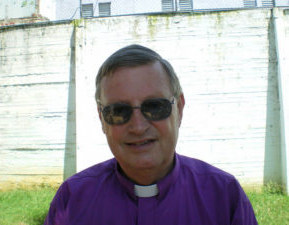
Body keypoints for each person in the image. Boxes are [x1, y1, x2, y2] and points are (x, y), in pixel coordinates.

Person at [44, 44, 258, 225]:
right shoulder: (72, 200)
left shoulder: (224, 196)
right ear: (102, 119)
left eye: (155, 106)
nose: (138, 127)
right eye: (119, 111)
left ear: (179, 109)